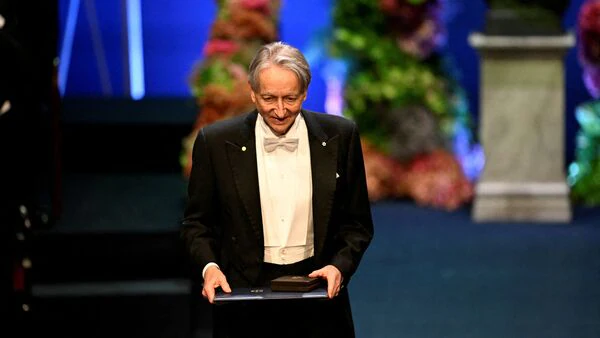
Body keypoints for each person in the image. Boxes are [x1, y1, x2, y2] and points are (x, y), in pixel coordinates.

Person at [180, 41, 374, 338]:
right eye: (269, 98)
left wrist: (339, 267)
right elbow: (197, 223)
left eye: (290, 99)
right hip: (243, 295)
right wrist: (209, 267)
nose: (280, 110)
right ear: (252, 92)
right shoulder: (215, 143)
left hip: (317, 293)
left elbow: (357, 223)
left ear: (305, 93)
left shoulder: (341, 137)